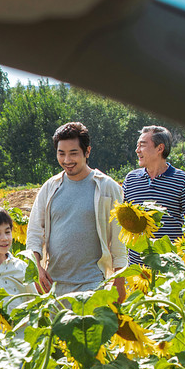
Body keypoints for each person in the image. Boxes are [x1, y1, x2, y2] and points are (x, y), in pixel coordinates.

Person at [25, 122, 127, 302]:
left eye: (73, 153)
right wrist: (37, 269)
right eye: (61, 153)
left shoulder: (107, 188)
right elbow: (34, 232)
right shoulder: (50, 187)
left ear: (87, 151)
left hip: (94, 284)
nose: (67, 160)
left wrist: (119, 284)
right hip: (55, 285)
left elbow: (119, 241)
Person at [123, 125, 185, 264]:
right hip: (136, 270)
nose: (137, 150)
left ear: (160, 148)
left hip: (170, 268)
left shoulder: (182, 179)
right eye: (137, 146)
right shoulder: (131, 179)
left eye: (142, 145)